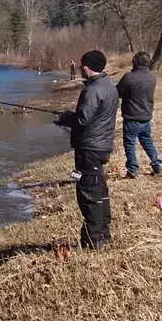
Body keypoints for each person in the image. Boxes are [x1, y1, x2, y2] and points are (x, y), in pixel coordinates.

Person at [54, 50, 118, 249]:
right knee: (99, 190)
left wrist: (65, 118)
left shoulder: (93, 90)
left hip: (90, 148)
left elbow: (82, 120)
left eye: (82, 65)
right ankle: (102, 235)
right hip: (101, 146)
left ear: (87, 67)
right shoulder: (109, 86)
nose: (80, 68)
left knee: (89, 192)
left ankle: (94, 240)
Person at [116, 51, 162, 179]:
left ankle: (132, 169)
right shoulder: (152, 77)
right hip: (146, 115)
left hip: (132, 117)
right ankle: (156, 164)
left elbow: (117, 92)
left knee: (130, 144)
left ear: (135, 62)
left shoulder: (129, 77)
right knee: (147, 140)